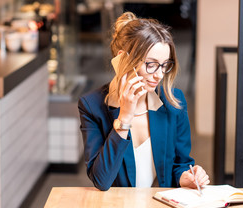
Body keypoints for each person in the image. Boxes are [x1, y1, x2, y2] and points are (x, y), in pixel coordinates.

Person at [78, 12, 210, 191]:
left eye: (164, 65)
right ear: (123, 58)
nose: (159, 75)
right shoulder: (92, 106)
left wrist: (184, 177)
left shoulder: (174, 102)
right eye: (151, 64)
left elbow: (180, 164)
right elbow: (101, 180)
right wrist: (124, 118)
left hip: (161, 207)